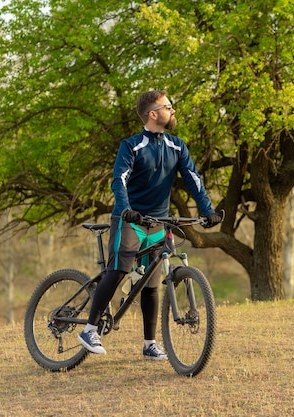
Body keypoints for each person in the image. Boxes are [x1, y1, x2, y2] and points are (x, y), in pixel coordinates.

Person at [78, 90, 222, 360]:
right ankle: (89, 328)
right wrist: (126, 210)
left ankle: (149, 343)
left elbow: (193, 178)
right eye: (168, 106)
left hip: (158, 221)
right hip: (130, 219)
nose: (173, 110)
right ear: (153, 114)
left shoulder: (177, 146)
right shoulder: (131, 146)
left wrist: (207, 210)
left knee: (152, 283)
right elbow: (118, 181)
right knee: (120, 269)